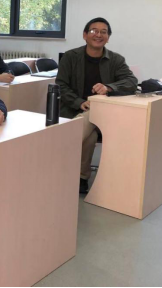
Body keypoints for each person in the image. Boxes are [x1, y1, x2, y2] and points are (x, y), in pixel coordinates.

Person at [56, 18, 138, 194]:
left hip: (106, 114)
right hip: (73, 110)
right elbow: (61, 85)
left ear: (108, 37)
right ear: (85, 35)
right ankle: (81, 177)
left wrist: (109, 87)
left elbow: (132, 81)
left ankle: (59, 154)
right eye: (94, 31)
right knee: (90, 135)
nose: (98, 35)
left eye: (103, 32)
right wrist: (80, 102)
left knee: (92, 116)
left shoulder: (116, 59)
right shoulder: (70, 57)